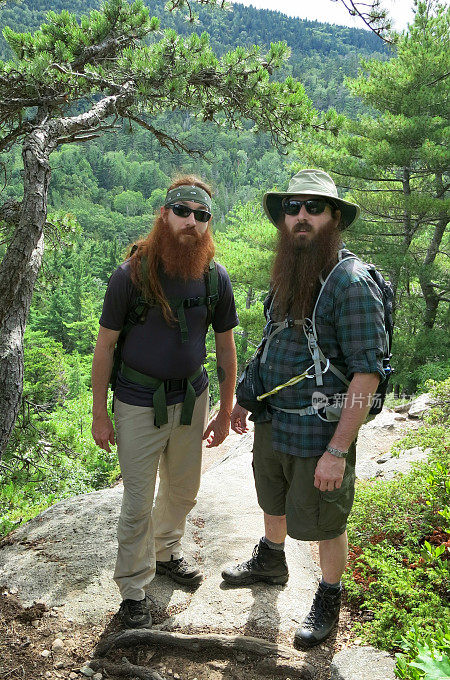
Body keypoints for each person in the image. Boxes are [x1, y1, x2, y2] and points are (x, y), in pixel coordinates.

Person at [223, 169, 386, 649]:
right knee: (272, 499)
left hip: (321, 429)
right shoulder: (290, 271)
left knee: (324, 520)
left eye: (314, 208)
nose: (301, 216)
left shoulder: (350, 282)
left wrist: (338, 449)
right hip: (275, 420)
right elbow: (272, 343)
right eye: (293, 207)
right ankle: (271, 560)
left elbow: (366, 373)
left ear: (334, 217)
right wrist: (246, 398)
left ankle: (330, 595)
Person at [92, 175, 238, 629]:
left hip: (193, 399)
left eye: (201, 216)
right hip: (138, 402)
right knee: (137, 500)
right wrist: (100, 411)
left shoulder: (213, 277)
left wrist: (225, 407)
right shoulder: (131, 275)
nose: (191, 222)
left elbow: (226, 346)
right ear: (164, 214)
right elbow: (105, 346)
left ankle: (166, 550)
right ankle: (134, 589)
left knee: (183, 489)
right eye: (182, 212)